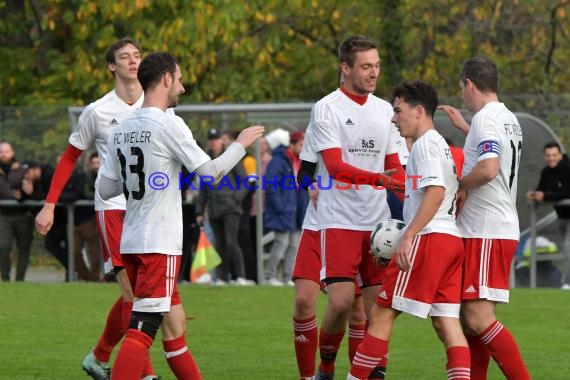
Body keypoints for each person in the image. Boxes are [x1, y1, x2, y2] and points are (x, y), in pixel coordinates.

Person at [97, 51, 264, 379]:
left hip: (131, 239)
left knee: (174, 333)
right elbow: (209, 174)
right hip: (159, 242)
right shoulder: (169, 124)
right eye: (181, 79)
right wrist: (240, 145)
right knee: (142, 330)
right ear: (166, 79)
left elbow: (105, 190)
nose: (183, 88)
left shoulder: (120, 128)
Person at [33, 37, 158, 379]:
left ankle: (99, 355)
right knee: (132, 292)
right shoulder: (98, 111)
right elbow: (70, 156)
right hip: (113, 207)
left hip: (147, 209)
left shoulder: (157, 105)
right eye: (125, 57)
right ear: (111, 66)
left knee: (141, 294)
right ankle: (144, 373)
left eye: (137, 55)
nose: (133, 61)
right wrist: (49, 205)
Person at [348, 81, 470, 380]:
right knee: (447, 325)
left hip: (429, 239)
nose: (393, 118)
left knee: (380, 314)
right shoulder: (441, 144)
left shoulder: (426, 145)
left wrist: (408, 236)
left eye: (398, 110)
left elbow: (436, 193)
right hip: (450, 240)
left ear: (418, 111)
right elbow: (455, 194)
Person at [309, 35, 405, 379]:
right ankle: (326, 366)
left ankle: (371, 374)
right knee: (340, 303)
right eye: (366, 66)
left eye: (377, 66)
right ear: (346, 68)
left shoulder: (384, 110)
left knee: (376, 310)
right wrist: (381, 180)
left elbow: (397, 167)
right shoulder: (327, 107)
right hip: (338, 221)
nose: (374, 72)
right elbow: (334, 168)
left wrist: (422, 205)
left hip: (378, 226)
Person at [439, 56, 531, 380]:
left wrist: (458, 186)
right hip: (492, 227)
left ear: (469, 85)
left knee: (478, 318)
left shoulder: (486, 118)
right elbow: (494, 153)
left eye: (461, 88)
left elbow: (490, 168)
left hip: (486, 228)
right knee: (469, 320)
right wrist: (466, 127)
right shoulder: (508, 118)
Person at [292, 127, 367, 380]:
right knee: (303, 301)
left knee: (356, 310)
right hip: (317, 224)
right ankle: (307, 377)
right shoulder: (323, 123)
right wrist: (311, 184)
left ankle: (332, 368)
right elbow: (303, 171)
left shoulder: (375, 122)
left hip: (354, 225)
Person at [195, 129, 254, 286]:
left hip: (230, 208)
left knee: (231, 243)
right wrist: (199, 210)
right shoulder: (206, 160)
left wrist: (235, 200)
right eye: (211, 139)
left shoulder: (230, 157)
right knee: (220, 245)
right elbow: (203, 188)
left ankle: (241, 277)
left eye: (216, 139)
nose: (213, 142)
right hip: (214, 209)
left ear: (221, 140)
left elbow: (246, 182)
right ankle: (223, 278)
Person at [264, 129, 306, 286]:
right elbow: (271, 186)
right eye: (301, 144)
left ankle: (288, 277)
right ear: (292, 144)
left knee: (294, 245)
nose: (303, 148)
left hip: (296, 211)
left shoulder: (300, 161)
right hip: (283, 211)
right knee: (281, 243)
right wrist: (281, 207)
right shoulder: (278, 160)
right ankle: (270, 277)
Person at [527, 142, 570, 289]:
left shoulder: (568, 168)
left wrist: (545, 196)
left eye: (554, 155)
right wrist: (535, 194)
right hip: (563, 217)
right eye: (548, 156)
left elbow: (566, 193)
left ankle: (567, 283)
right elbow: (542, 189)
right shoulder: (546, 172)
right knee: (566, 249)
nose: (551, 158)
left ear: (560, 155)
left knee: (568, 247)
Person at [0, 142, 35, 282]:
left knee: (24, 248)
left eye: (6, 151)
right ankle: (5, 278)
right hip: (3, 216)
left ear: (12, 153)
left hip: (23, 215)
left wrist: (22, 193)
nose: (3, 154)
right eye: (1, 151)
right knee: (3, 247)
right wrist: (14, 194)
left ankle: (20, 279)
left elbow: (29, 191)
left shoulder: (22, 170)